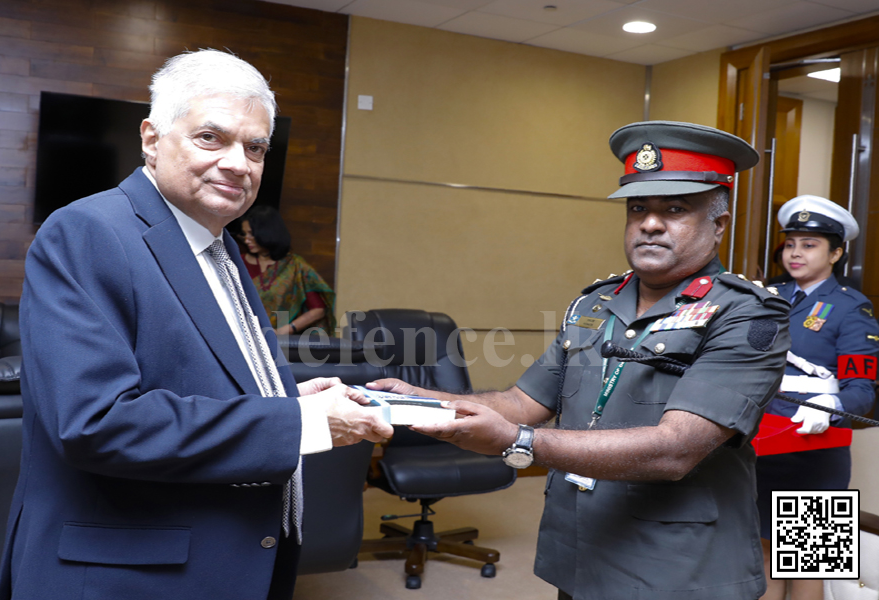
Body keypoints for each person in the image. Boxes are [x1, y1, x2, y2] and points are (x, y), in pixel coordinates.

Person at [0, 50, 393, 600]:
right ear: (152, 139)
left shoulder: (218, 244)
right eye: (213, 138)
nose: (240, 163)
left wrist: (289, 398)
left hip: (220, 564)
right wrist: (298, 424)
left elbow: (197, 377)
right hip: (126, 577)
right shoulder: (88, 231)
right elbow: (97, 422)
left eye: (256, 147)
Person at [370, 121, 791, 600]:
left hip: (679, 567)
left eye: (675, 209)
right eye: (638, 209)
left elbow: (676, 449)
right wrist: (429, 402)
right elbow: (523, 400)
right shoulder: (595, 303)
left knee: (813, 554)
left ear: (718, 224)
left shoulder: (748, 311)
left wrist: (519, 442)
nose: (650, 223)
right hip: (586, 551)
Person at [757, 195, 879, 600]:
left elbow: (862, 389)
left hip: (814, 450)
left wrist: (834, 409)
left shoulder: (851, 309)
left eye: (809, 245)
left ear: (836, 252)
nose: (795, 253)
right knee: (762, 555)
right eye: (791, 243)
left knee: (808, 564)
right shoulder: (764, 296)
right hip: (760, 442)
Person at [240, 206, 336, 336]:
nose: (246, 240)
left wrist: (285, 330)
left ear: (267, 232)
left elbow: (318, 309)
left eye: (252, 234)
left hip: (279, 343)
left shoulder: (295, 266)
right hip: (240, 337)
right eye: (245, 234)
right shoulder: (237, 263)